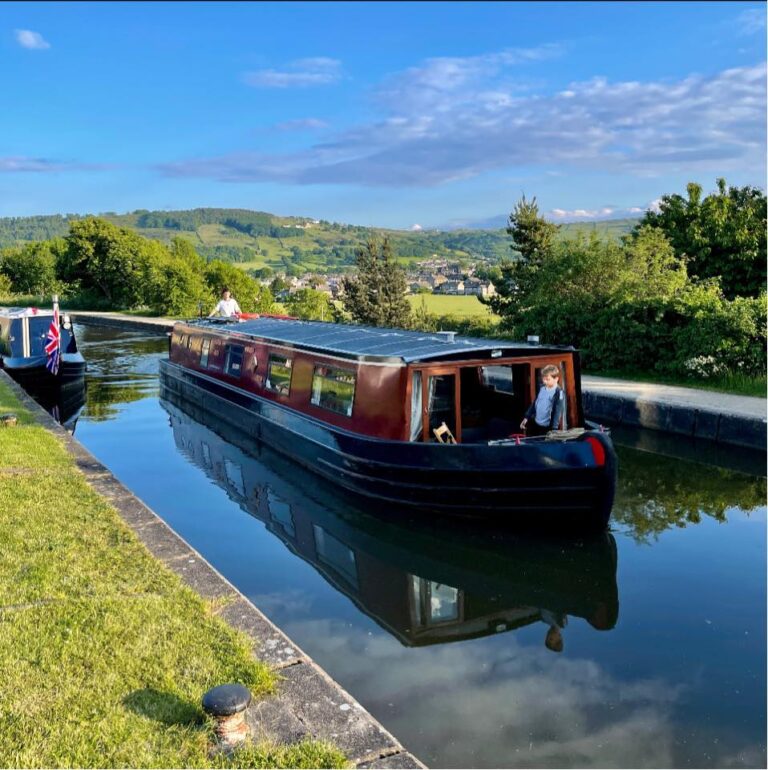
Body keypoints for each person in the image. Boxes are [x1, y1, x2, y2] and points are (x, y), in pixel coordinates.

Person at [520, 364, 565, 437]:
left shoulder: (558, 393)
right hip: (536, 423)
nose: (545, 382)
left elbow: (557, 411)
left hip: (547, 427)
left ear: (556, 379)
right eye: (543, 379)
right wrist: (526, 417)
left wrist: (554, 430)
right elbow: (535, 404)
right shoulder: (542, 389)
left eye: (547, 379)